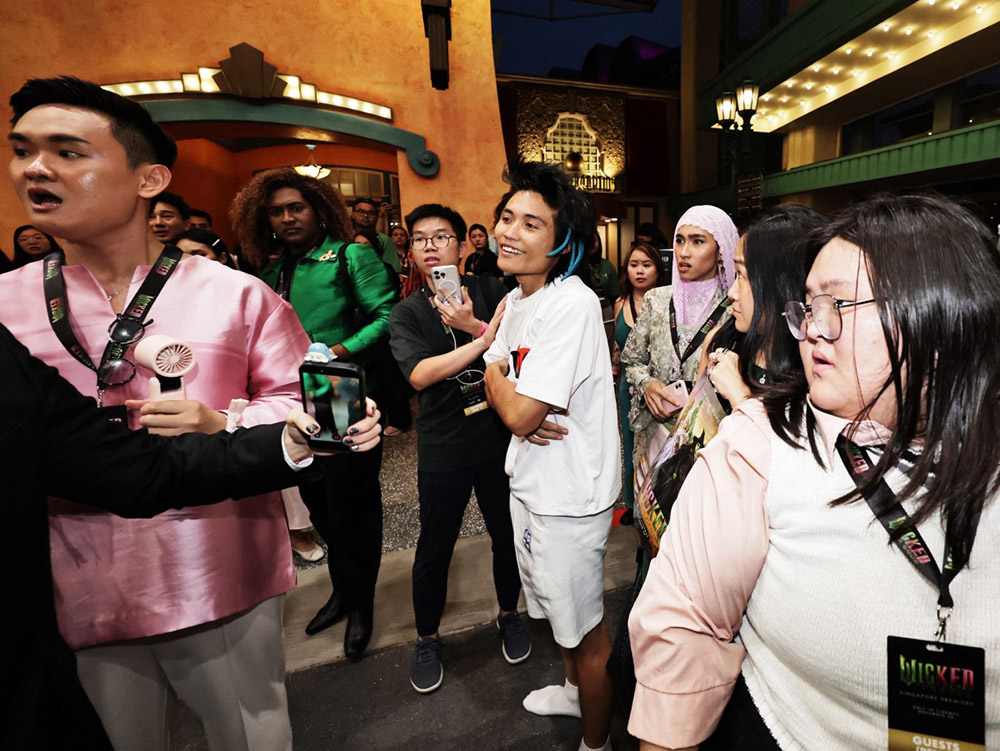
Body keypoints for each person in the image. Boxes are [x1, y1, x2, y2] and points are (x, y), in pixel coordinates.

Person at [2, 76, 318, 751]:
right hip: (73, 579)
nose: (35, 168)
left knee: (251, 732)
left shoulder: (237, 294)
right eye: (23, 149)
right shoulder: (6, 305)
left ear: (149, 179)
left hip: (217, 560)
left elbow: (304, 404)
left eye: (68, 151)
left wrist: (223, 423)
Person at [629, 193, 1000, 750]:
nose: (813, 330)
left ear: (943, 315)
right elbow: (683, 628)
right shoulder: (760, 444)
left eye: (840, 306)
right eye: (808, 306)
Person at [1, 322, 381, 751]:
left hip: (215, 570)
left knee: (247, 723)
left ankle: (356, 604)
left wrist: (252, 431)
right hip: (79, 595)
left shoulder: (237, 295)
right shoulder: (14, 301)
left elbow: (130, 470)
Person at [483, 161, 621, 751]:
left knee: (586, 632)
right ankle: (571, 694)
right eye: (507, 218)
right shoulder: (518, 297)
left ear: (563, 241)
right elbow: (516, 403)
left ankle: (598, 742)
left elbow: (516, 410)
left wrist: (496, 379)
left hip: (569, 495)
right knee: (554, 613)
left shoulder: (574, 303)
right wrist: (509, 392)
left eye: (532, 224)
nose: (510, 232)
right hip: (534, 482)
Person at [232, 169, 396, 657]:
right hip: (284, 401)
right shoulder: (270, 269)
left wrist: (338, 353)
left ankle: (362, 604)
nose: (285, 218)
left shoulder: (350, 255)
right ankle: (343, 592)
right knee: (318, 503)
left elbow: (386, 316)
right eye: (276, 211)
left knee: (354, 508)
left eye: (295, 208)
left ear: (319, 209)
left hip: (337, 392)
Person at [389, 203, 527, 694]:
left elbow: (521, 353)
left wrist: (474, 327)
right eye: (420, 238)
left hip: (495, 436)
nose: (430, 246)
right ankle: (427, 637)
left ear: (462, 246)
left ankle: (509, 613)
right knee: (434, 546)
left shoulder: (494, 291)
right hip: (443, 444)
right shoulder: (406, 312)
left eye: (441, 236)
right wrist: (485, 339)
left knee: (505, 533)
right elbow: (420, 374)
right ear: (410, 251)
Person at [620, 205, 736, 497]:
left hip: (709, 443)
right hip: (655, 434)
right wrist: (647, 385)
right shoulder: (657, 300)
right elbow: (631, 359)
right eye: (680, 240)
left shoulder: (735, 310)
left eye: (697, 241)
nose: (683, 252)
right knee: (652, 521)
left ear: (721, 249)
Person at [696, 204, 827, 411]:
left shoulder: (820, 368)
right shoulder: (722, 343)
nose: (732, 293)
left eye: (741, 275)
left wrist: (740, 396)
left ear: (779, 285)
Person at [612, 242, 666, 513]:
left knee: (658, 445)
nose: (640, 271)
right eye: (634, 265)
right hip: (627, 385)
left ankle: (655, 503)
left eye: (647, 265)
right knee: (631, 443)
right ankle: (633, 505)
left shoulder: (668, 304)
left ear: (658, 269)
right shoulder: (620, 303)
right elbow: (617, 348)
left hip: (659, 385)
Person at [352, 195, 400, 273]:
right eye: (361, 212)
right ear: (353, 214)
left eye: (371, 213)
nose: (366, 216)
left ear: (376, 216)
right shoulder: (345, 238)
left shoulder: (385, 241)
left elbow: (393, 272)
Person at [391, 224, 424, 298]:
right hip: (394, 297)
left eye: (402, 235)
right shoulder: (387, 256)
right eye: (395, 235)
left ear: (407, 238)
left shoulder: (414, 254)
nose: (399, 237)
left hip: (413, 297)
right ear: (390, 238)